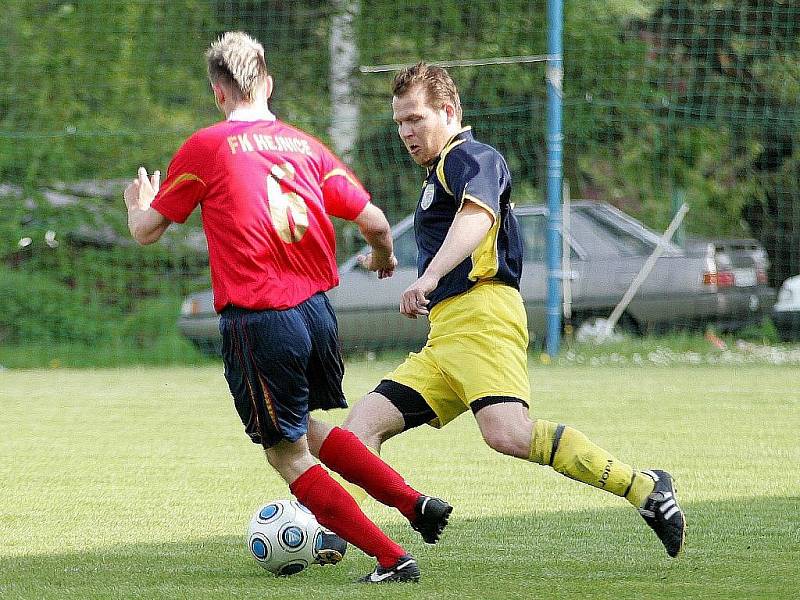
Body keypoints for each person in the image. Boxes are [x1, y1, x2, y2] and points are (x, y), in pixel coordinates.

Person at [123, 33, 452, 584]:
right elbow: (372, 220)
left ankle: (392, 557)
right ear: (268, 85)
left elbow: (147, 232)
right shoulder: (305, 146)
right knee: (305, 429)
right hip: (318, 314)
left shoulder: (206, 147)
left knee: (285, 453)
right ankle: (415, 503)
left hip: (260, 319)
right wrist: (382, 256)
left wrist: (139, 203)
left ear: (218, 93)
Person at [340, 62, 686, 558]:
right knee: (360, 430)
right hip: (447, 335)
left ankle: (645, 489)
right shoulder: (438, 172)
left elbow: (477, 218)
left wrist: (430, 276)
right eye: (399, 123)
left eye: (415, 118)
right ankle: (341, 533)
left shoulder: (472, 156)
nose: (406, 132)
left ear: (449, 110)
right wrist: (386, 256)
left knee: (507, 433)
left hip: (483, 317)